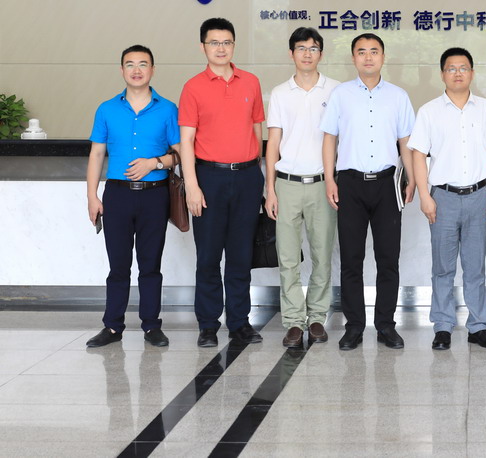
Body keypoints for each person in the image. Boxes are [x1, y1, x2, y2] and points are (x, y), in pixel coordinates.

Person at [321, 33, 415, 350]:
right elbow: (330, 138)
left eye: (374, 51)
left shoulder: (398, 96)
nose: (368, 57)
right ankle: (354, 327)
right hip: (350, 183)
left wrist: (412, 179)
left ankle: (386, 326)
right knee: (351, 259)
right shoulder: (340, 95)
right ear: (353, 58)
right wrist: (330, 179)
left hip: (388, 184)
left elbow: (406, 142)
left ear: (383, 57)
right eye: (362, 52)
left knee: (388, 259)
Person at [408, 47, 486, 351]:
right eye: (451, 68)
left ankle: (478, 326)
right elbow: (418, 155)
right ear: (442, 75)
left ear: (472, 73)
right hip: (443, 197)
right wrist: (425, 196)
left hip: (479, 196)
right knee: (443, 267)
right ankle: (442, 326)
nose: (458, 73)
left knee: (475, 267)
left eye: (463, 68)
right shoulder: (429, 111)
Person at [85, 45, 180, 348]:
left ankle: (151, 326)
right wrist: (92, 196)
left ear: (152, 70)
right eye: (130, 64)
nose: (136, 70)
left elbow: (180, 154)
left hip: (155, 196)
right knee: (118, 266)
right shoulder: (106, 109)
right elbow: (96, 154)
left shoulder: (168, 109)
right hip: (117, 195)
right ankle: (112, 327)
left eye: (143, 64)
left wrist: (155, 163)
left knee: (150, 265)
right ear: (122, 70)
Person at [179, 18, 266, 347]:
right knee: (209, 255)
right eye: (214, 43)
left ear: (234, 45)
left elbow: (257, 130)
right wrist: (192, 185)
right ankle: (207, 324)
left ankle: (240, 322)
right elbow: (186, 141)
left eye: (226, 42)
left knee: (242, 255)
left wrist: (256, 173)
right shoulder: (193, 87)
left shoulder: (251, 83)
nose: (221, 48)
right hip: (209, 178)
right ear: (203, 47)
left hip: (246, 177)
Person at [265, 28, 340, 349]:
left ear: (321, 53)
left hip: (323, 184)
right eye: (301, 48)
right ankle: (294, 321)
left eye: (313, 48)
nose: (307, 54)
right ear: (291, 53)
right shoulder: (280, 93)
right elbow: (273, 143)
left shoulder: (336, 90)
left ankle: (317, 317)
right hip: (287, 184)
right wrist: (270, 188)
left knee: (322, 255)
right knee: (287, 258)